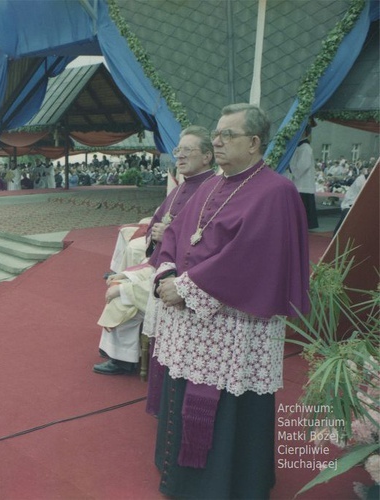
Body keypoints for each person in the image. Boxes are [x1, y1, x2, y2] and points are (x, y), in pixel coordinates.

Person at [148, 103, 310, 498]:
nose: (216, 141)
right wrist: (166, 273)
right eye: (216, 134)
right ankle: (182, 479)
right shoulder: (209, 185)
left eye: (227, 135)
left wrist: (185, 289)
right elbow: (175, 234)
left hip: (234, 330)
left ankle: (223, 485)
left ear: (254, 143)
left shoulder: (276, 192)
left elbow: (252, 260)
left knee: (226, 407)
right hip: (190, 323)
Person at [95, 126, 216, 376]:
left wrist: (171, 234)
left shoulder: (213, 190)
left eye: (187, 151)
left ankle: (124, 359)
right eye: (178, 150)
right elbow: (155, 224)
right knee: (119, 283)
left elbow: (207, 237)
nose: (180, 156)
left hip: (182, 272)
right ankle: (120, 354)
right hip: (159, 263)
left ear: (207, 156)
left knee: (121, 294)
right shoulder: (181, 187)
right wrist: (156, 235)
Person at [288, 125, 319, 229]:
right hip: (299, 183)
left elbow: (303, 165)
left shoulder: (305, 147)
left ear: (305, 133)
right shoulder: (300, 146)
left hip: (302, 184)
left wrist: (292, 169)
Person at [334, 162, 372, 235]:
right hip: (352, 204)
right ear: (369, 170)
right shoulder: (361, 179)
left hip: (367, 207)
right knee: (348, 215)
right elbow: (362, 196)